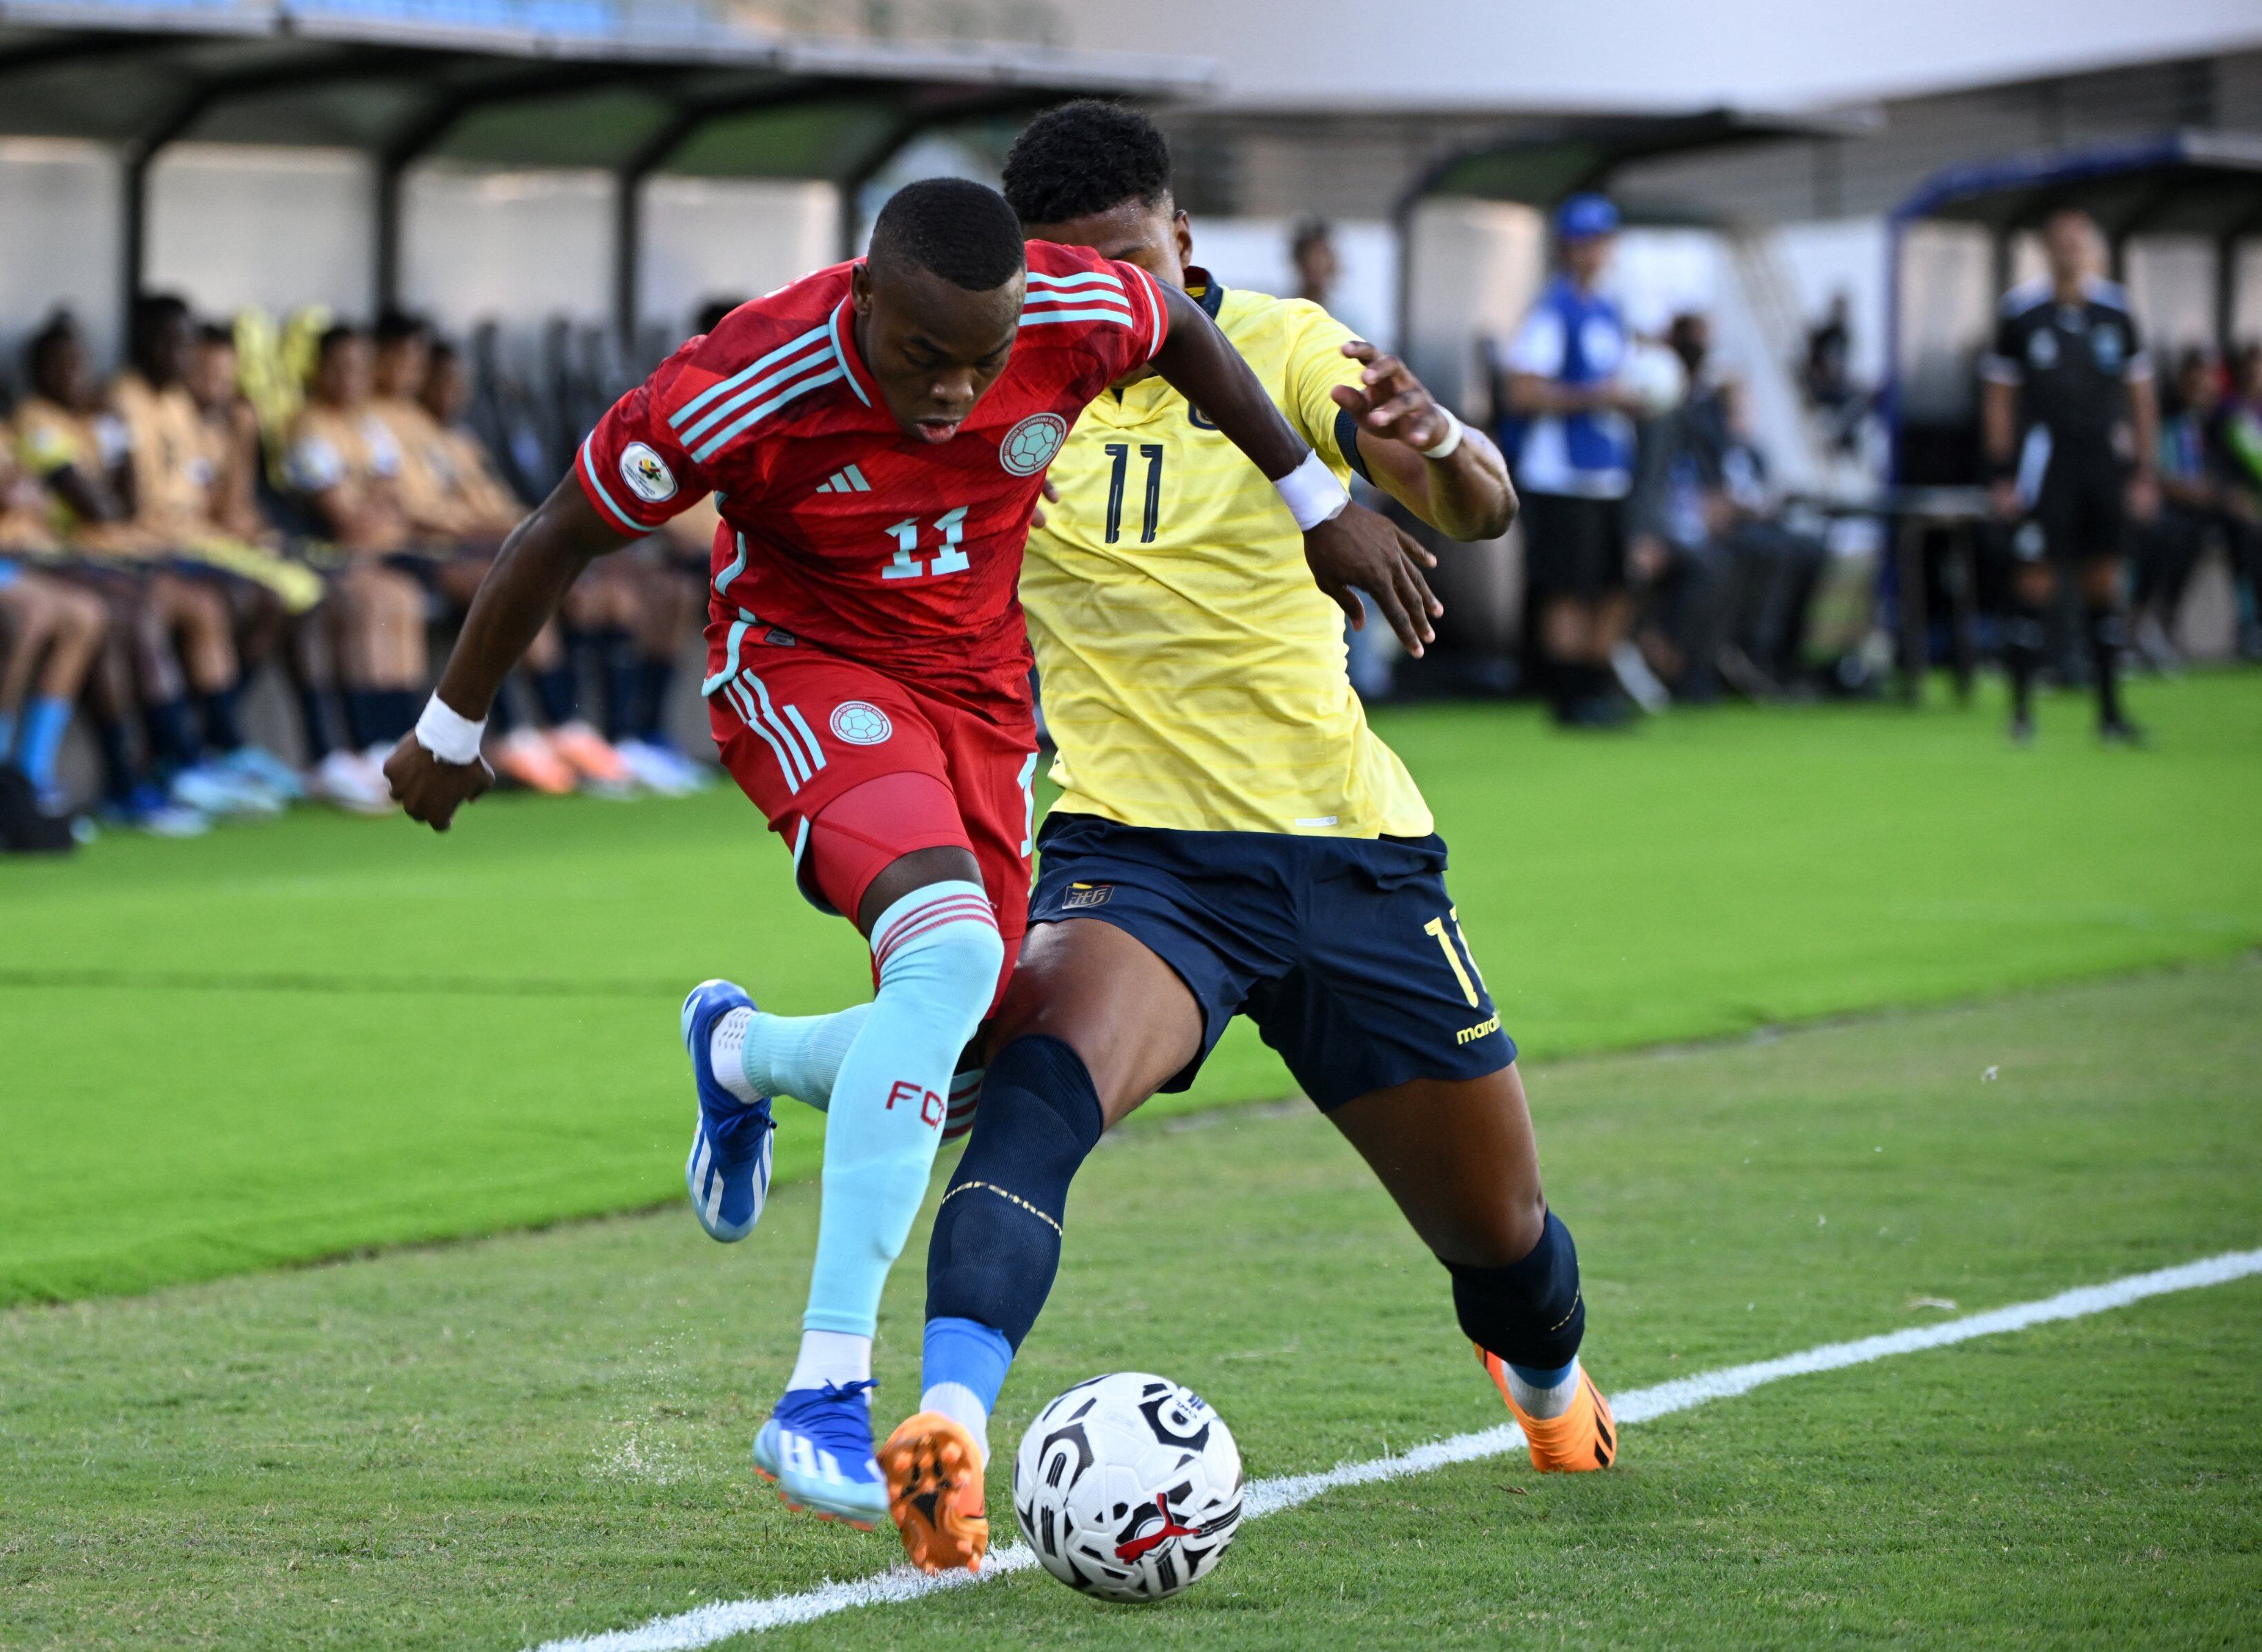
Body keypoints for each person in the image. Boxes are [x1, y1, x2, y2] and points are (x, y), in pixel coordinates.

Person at [383, 177, 1437, 1533]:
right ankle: (824, 1387)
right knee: (941, 955)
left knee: (962, 1040)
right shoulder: (738, 381)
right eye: (922, 356)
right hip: (811, 671)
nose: (952, 392)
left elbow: (1178, 325)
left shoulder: (1074, 305)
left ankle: (743, 1055)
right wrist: (451, 723)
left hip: (985, 696)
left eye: (981, 362)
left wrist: (1309, 498)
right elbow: (556, 537)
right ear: (864, 296)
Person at [718, 102, 1601, 1579]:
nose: (1107, 306)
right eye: (1070, 281)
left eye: (1132, 264)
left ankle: (1552, 1384)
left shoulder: (1280, 339)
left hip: (1351, 854)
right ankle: (948, 1428)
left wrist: (1430, 444)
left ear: (1180, 241)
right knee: (1033, 1107)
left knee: (1507, 1244)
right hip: (1140, 859)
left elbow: (1483, 505)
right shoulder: (991, 398)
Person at [1980, 207, 2158, 744]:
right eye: (2060, 242)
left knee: (2104, 579)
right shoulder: (2021, 313)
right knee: (2034, 578)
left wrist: (2144, 473)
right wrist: (2001, 473)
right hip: (2045, 462)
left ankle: (2109, 714)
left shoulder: (2116, 310)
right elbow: (1999, 399)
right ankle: (2021, 712)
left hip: (2101, 462)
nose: (2069, 251)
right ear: (2046, 248)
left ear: (2091, 249)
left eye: (2078, 241)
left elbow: (2141, 396)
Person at [1491, 195, 1646, 727]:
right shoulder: (1553, 311)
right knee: (1569, 588)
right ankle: (1570, 694)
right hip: (1561, 474)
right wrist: (1598, 396)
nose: (1594, 251)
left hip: (1607, 471)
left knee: (1616, 584)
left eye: (1601, 240)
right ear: (1567, 248)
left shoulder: (1609, 309)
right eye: (1584, 241)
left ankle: (1598, 682)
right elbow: (1523, 392)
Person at [283, 324, 436, 773]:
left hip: (384, 550)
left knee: (404, 599)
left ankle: (404, 737)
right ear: (320, 369)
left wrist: (369, 499)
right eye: (342, 366)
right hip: (328, 555)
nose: (353, 377)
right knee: (376, 601)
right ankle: (369, 743)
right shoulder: (308, 424)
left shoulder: (370, 424)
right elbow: (344, 521)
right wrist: (373, 502)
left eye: (360, 367)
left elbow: (397, 499)